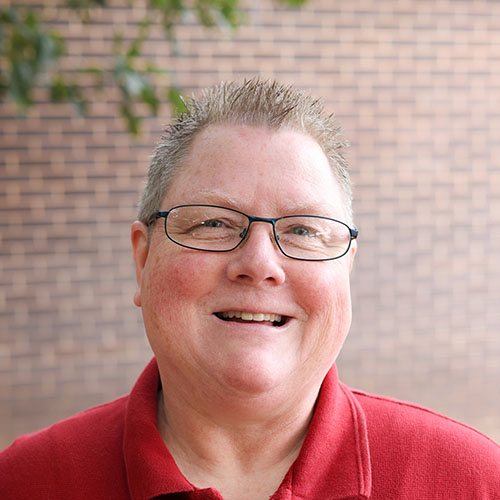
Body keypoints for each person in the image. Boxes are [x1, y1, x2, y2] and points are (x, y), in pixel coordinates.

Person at [1, 79, 499, 500]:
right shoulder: (24, 482)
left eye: (304, 230)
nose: (260, 265)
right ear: (143, 258)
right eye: (214, 223)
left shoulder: (475, 481)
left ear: (346, 267)